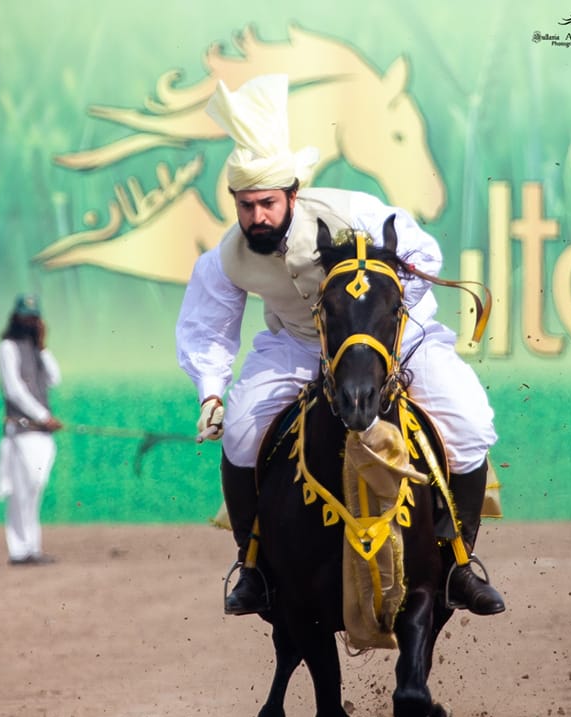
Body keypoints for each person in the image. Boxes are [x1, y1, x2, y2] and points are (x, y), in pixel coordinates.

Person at [176, 74, 505, 618]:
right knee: (239, 433)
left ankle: (460, 567)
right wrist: (210, 392)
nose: (256, 217)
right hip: (299, 344)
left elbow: (425, 254)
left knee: (470, 423)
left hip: (392, 340)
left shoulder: (353, 210)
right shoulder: (227, 258)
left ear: (292, 195)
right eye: (245, 205)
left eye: (267, 204)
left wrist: (380, 324)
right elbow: (208, 327)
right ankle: (252, 568)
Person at [0, 294, 62, 564]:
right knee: (21, 492)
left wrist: (43, 347)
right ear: (16, 317)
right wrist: (43, 415)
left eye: (33, 317)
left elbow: (55, 379)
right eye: (26, 317)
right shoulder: (7, 347)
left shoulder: (36, 349)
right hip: (22, 431)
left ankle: (31, 547)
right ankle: (19, 550)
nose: (29, 322)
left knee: (35, 489)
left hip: (41, 435)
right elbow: (14, 389)